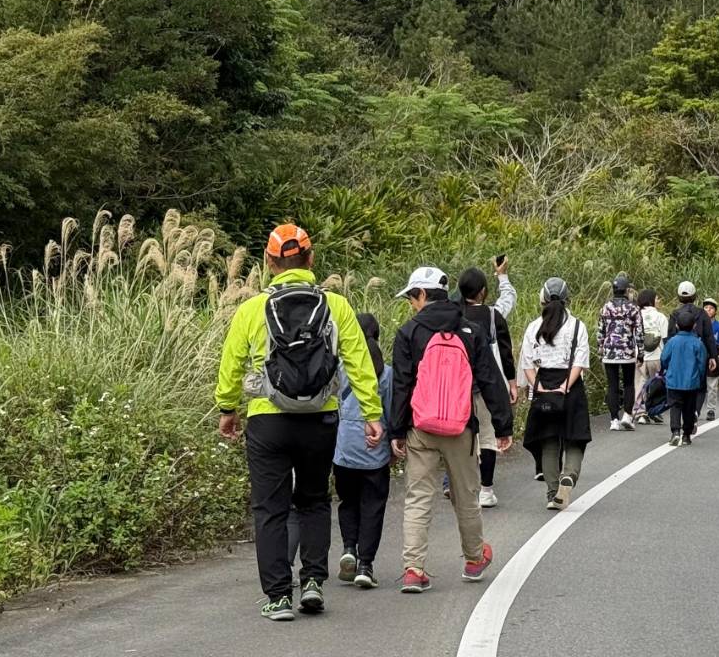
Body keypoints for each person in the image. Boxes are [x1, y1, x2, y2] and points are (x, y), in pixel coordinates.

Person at [215, 223, 385, 622]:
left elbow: (232, 362)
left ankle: (277, 597)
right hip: (320, 418)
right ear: (310, 259)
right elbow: (360, 363)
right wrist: (371, 413)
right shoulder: (337, 306)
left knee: (270, 509)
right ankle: (312, 581)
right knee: (313, 501)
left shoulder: (252, 309)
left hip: (267, 421)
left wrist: (227, 409)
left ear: (270, 262)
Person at [388, 267, 514, 594]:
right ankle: (474, 560)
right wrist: (503, 425)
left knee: (418, 497)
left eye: (411, 298)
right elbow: (489, 380)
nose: (410, 305)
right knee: (466, 496)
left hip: (420, 428)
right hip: (461, 428)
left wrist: (396, 431)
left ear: (422, 295)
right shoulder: (470, 331)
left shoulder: (408, 333)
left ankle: (414, 570)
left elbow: (401, 385)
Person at [334, 312, 394, 589]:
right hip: (375, 448)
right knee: (373, 507)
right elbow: (391, 411)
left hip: (344, 446)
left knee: (348, 502)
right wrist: (394, 441)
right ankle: (366, 566)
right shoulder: (388, 373)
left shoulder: (343, 367)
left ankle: (349, 548)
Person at [521, 277, 592, 509]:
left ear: (542, 298)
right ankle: (569, 474)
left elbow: (527, 364)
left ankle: (553, 494)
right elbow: (579, 362)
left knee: (548, 440)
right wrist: (566, 386)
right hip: (570, 387)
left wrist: (538, 387)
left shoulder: (533, 327)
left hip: (543, 386)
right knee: (575, 437)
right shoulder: (577, 326)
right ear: (567, 298)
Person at [457, 258, 518, 508]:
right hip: (485, 385)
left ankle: (460, 486)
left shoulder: (452, 315)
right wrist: (512, 383)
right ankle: (486, 489)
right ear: (483, 291)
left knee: (461, 436)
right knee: (488, 437)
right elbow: (505, 351)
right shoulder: (493, 315)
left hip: (458, 386)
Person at [660, 292, 708, 446]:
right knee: (689, 408)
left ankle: (675, 432)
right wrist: (700, 377)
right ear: (694, 326)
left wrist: (667, 369)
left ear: (676, 325)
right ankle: (687, 435)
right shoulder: (697, 343)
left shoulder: (672, 342)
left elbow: (664, 359)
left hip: (674, 381)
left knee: (675, 406)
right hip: (691, 382)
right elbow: (702, 363)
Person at [596, 273, 641, 431]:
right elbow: (639, 333)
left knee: (612, 385)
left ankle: (614, 419)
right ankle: (627, 416)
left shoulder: (605, 307)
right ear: (626, 290)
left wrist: (600, 347)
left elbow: (600, 331)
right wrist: (640, 352)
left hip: (609, 352)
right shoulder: (633, 308)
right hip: (627, 351)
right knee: (629, 384)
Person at [633, 288, 668, 424]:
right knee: (655, 385)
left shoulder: (636, 315)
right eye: (657, 298)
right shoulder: (661, 317)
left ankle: (640, 413)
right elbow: (665, 339)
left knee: (640, 383)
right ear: (651, 300)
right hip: (657, 356)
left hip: (639, 356)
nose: (658, 301)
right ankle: (653, 410)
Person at [698, 298, 719, 421]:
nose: (708, 310)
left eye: (711, 308)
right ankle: (696, 409)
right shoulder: (698, 323)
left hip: (714, 356)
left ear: (715, 311)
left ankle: (711, 409)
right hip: (700, 357)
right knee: (698, 385)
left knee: (712, 385)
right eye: (706, 308)